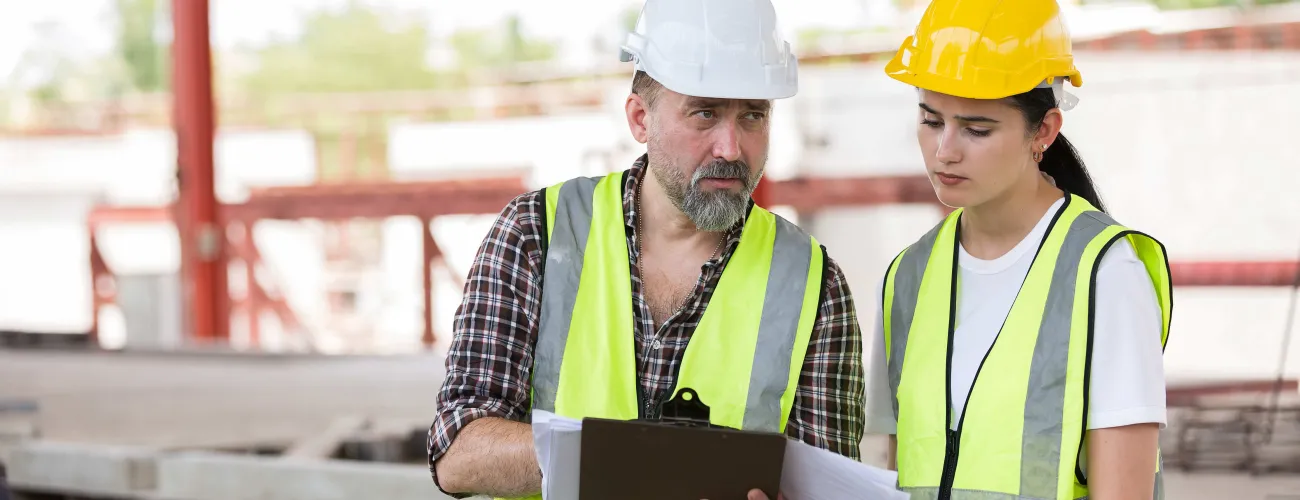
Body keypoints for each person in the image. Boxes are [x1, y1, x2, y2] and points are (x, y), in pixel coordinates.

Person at [425, 1, 866, 499]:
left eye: (753, 115)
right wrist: (640, 462)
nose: (731, 147)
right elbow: (458, 450)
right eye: (705, 112)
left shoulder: (811, 281)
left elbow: (832, 488)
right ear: (640, 118)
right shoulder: (537, 235)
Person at [865, 0, 1174, 499]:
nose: (945, 150)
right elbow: (901, 470)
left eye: (976, 129)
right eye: (930, 120)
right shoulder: (910, 276)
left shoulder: (1104, 274)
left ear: (1045, 131)